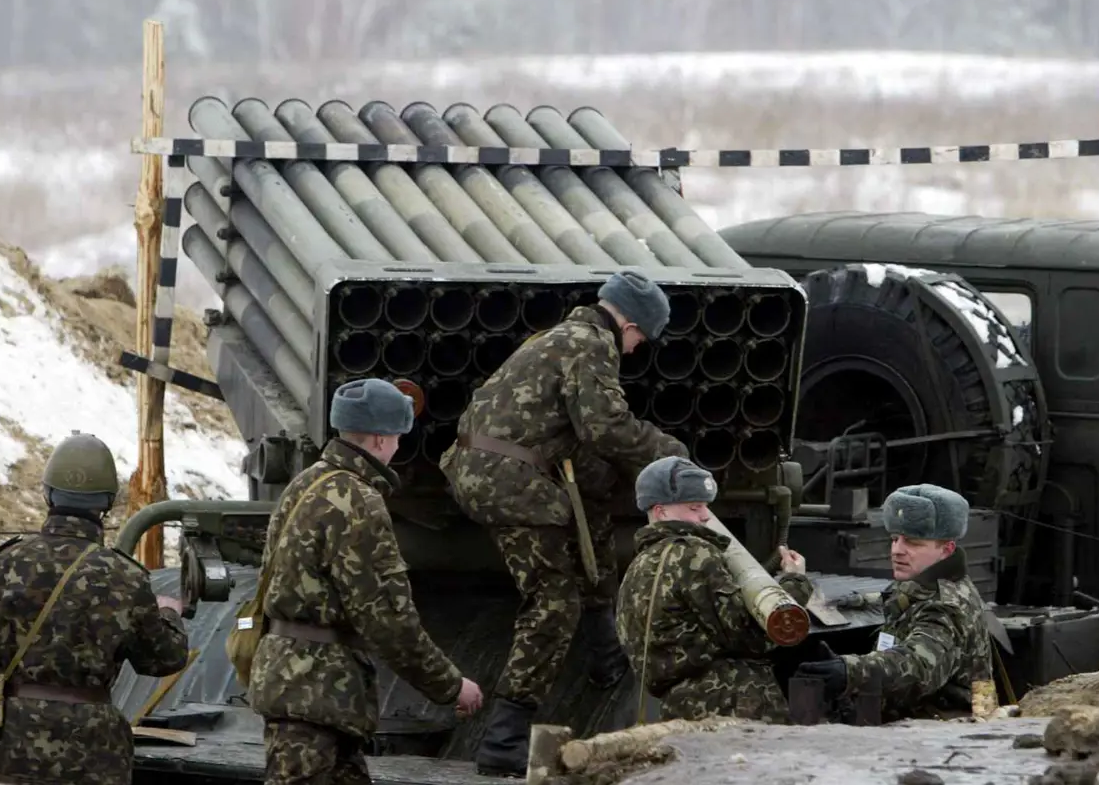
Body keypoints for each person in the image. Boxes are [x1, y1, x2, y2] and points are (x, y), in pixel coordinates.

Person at [439, 270, 689, 777]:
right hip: (510, 482)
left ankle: (605, 653)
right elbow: (607, 427)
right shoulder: (592, 345)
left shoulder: (557, 337)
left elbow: (580, 445)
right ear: (629, 322)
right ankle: (504, 737)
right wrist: (672, 455)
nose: (638, 349)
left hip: (489, 471)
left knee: (594, 497)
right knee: (553, 604)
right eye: (641, 337)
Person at [248, 378, 483, 785]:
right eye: (396, 436)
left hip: (300, 688)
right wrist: (449, 685)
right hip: (318, 694)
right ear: (378, 440)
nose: (398, 447)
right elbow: (387, 618)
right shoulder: (357, 501)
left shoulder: (305, 485)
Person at [0, 432, 190, 785]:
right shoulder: (125, 576)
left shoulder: (3, 565)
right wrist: (169, 614)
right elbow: (163, 659)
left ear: (47, 494)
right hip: (93, 754)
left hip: (12, 746)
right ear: (106, 502)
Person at [615, 457, 812, 724]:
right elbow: (751, 635)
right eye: (695, 507)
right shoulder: (694, 553)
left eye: (706, 506)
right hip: (732, 703)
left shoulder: (637, 568)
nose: (706, 516)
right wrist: (795, 583)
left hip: (679, 708)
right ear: (661, 512)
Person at [794, 483, 991, 723]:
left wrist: (851, 671)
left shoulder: (946, 606)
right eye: (894, 539)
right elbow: (892, 602)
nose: (897, 551)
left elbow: (919, 665)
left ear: (946, 549)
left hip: (943, 728)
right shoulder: (921, 582)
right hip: (914, 715)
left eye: (913, 543)